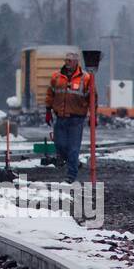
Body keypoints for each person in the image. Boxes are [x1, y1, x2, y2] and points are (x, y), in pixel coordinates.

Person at [45, 51, 92, 182]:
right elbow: (50, 94)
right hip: (60, 117)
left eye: (70, 61)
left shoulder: (86, 78)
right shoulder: (56, 77)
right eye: (66, 60)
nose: (67, 63)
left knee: (73, 148)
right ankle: (75, 163)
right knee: (59, 145)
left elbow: (92, 98)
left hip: (76, 118)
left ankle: (71, 175)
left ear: (76, 62)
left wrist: (93, 115)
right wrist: (48, 110)